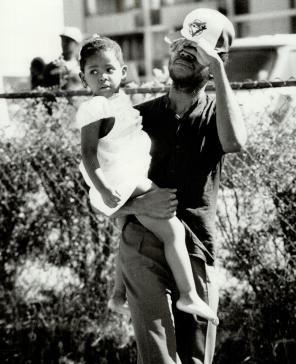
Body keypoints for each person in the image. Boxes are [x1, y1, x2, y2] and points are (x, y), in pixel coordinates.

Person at [111, 8, 247, 364]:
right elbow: (99, 194)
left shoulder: (215, 111)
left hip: (198, 250)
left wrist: (220, 72)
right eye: (183, 44)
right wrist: (137, 206)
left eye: (200, 49)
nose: (187, 52)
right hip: (144, 248)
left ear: (214, 61)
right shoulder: (139, 116)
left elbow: (235, 141)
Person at [76, 36, 219, 324]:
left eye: (109, 69)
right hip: (119, 180)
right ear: (82, 78)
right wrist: (104, 190)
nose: (102, 76)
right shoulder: (94, 107)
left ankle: (118, 296)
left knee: (126, 225)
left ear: (123, 72)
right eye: (93, 72)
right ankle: (188, 294)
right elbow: (88, 155)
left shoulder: (117, 102)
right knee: (172, 230)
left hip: (123, 178)